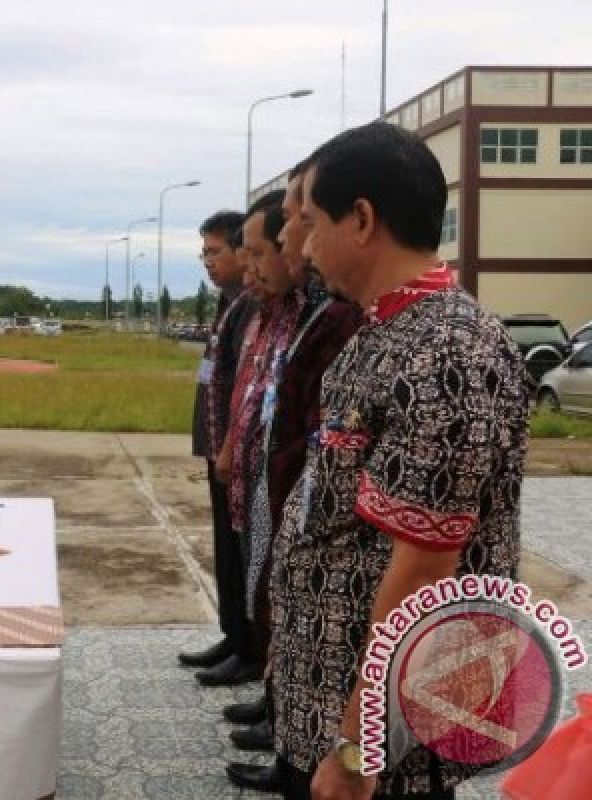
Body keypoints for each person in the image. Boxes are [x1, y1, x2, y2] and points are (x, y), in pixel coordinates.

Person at [269, 122, 529, 799]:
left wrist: (360, 747)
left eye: (311, 222)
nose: (303, 244)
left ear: (361, 219)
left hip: (383, 751)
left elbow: (422, 572)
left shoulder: (448, 354)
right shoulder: (382, 331)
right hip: (325, 702)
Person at [224, 162, 363, 794]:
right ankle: (290, 740)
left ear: (359, 220)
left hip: (314, 524)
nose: (288, 246)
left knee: (306, 638)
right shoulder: (288, 313)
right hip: (278, 490)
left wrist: (357, 749)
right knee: (276, 610)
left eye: (299, 226)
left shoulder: (340, 317)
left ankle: (298, 750)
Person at [179, 210, 262, 687]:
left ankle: (248, 646)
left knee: (240, 552)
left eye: (216, 252)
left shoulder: (250, 305)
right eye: (203, 254)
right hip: (218, 447)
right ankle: (233, 635)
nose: (208, 263)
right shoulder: (226, 304)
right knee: (226, 550)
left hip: (236, 453)